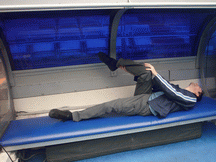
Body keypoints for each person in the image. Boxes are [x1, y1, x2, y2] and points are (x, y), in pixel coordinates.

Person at [49, 52, 203, 122]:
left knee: (112, 105)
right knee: (146, 72)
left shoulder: (190, 100)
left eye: (197, 85)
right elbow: (163, 87)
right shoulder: (180, 90)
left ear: (198, 93)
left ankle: (73, 116)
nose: (196, 83)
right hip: (148, 96)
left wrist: (156, 73)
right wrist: (132, 71)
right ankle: (115, 64)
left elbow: (172, 93)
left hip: (148, 105)